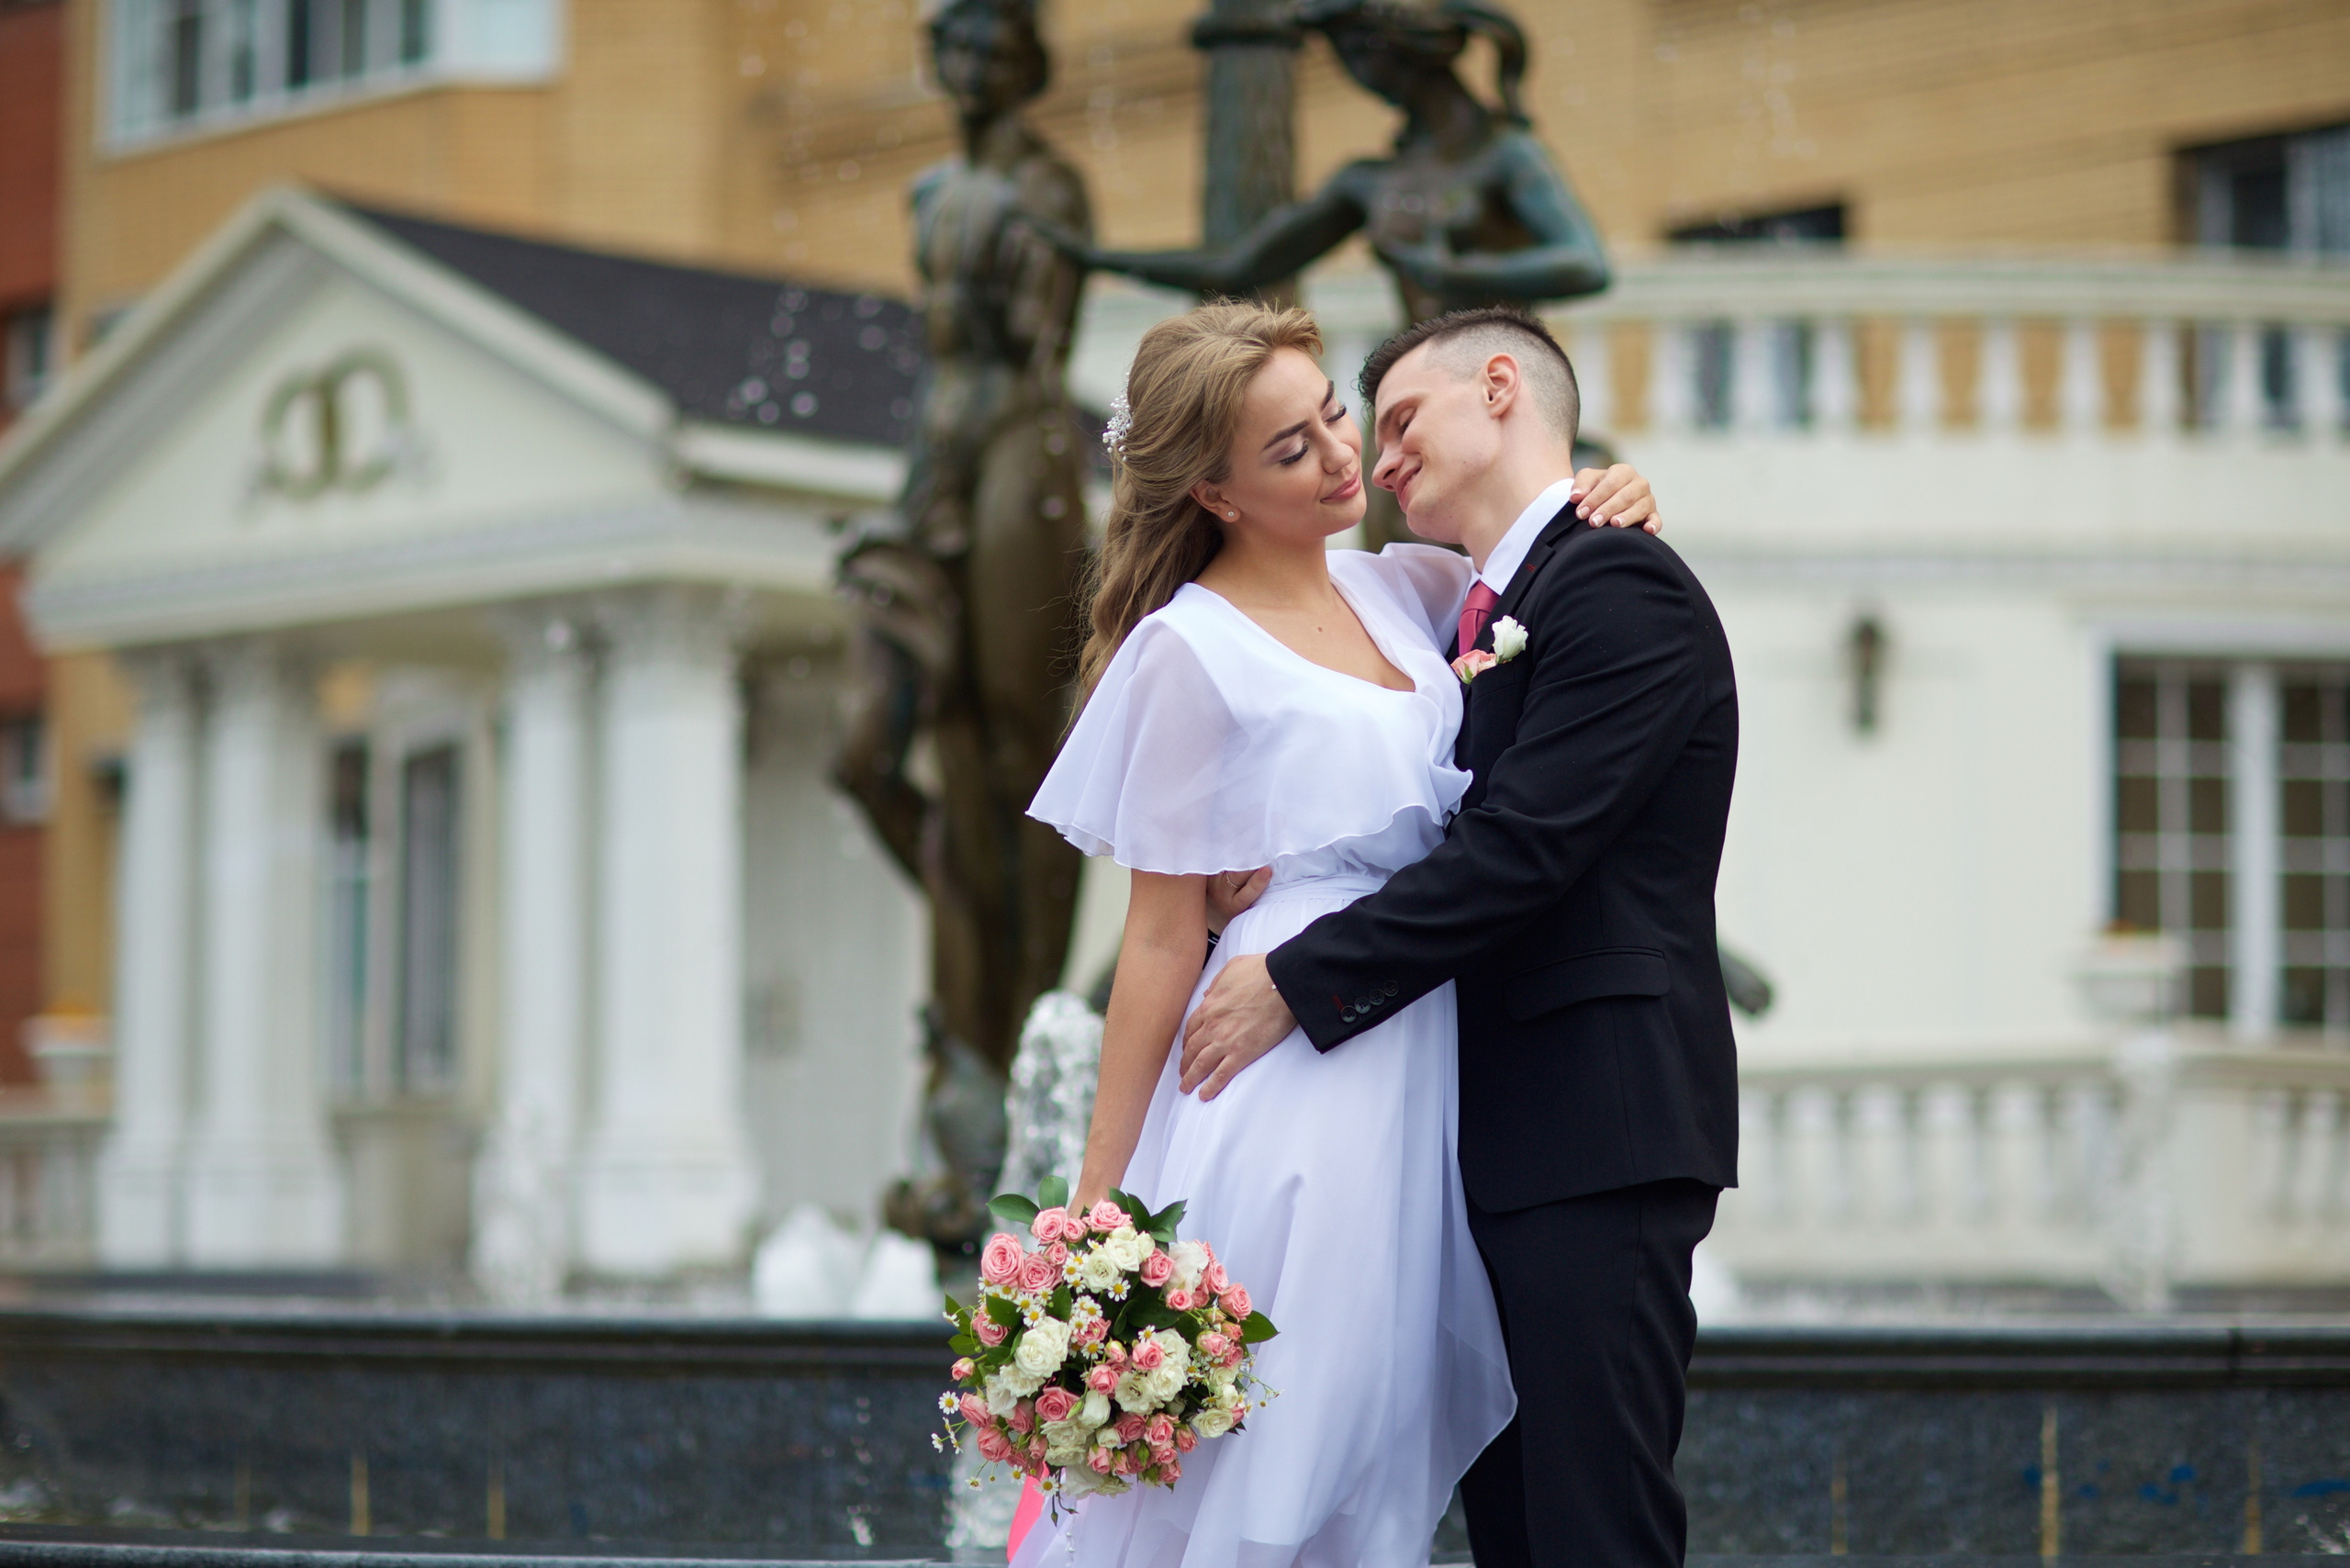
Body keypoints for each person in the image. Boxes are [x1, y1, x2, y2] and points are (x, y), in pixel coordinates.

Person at [1017, 301, 1662, 1568]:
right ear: (1213, 489)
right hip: (1291, 1086)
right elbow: (1155, 943)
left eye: (1331, 414)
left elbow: (1538, 567)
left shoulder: (1413, 589)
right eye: (1291, 449)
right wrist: (1099, 1202)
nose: (1339, 452)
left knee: (1381, 1468)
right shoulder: (1188, 654)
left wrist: (1620, 485)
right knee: (1285, 1452)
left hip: (1428, 1063)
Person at [1177, 305, 1740, 1568]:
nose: (1375, 463)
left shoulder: (1619, 583)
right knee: (1520, 1532)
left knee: (1595, 1527)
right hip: (1485, 1135)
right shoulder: (1465, 606)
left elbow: (1524, 850)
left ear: (1501, 388)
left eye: (1396, 421)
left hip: (1596, 1133)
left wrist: (1298, 979)